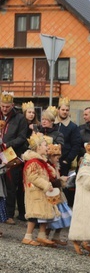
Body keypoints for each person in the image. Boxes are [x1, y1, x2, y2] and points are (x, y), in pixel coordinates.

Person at [21, 133, 59, 247]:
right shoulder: (33, 162)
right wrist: (46, 185)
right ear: (38, 147)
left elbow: (48, 173)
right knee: (34, 215)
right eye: (44, 145)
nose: (47, 147)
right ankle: (27, 236)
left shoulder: (41, 161)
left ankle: (42, 235)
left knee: (44, 213)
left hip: (41, 191)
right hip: (35, 192)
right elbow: (33, 177)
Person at [1, 92, 27, 224]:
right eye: (3, 106)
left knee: (10, 184)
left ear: (12, 105)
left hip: (11, 154)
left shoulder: (20, 118)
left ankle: (9, 214)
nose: (5, 109)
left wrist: (6, 144)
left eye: (7, 106)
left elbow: (22, 138)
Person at [55, 97, 82, 178]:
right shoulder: (52, 124)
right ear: (58, 109)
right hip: (51, 161)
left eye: (67, 110)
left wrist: (67, 160)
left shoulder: (73, 127)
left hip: (63, 162)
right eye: (63, 110)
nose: (65, 112)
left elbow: (76, 145)